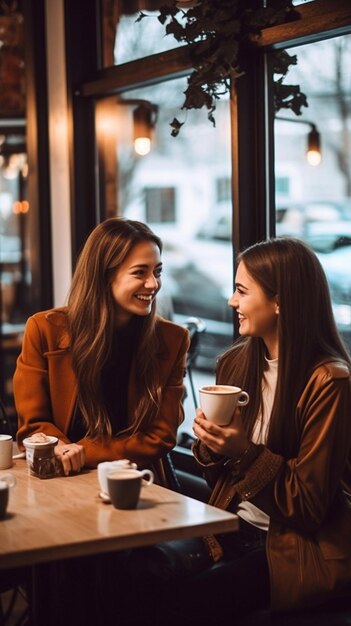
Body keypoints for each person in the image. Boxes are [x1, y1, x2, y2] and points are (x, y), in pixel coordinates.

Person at [137, 236, 351, 626]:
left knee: (180, 604)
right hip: (234, 524)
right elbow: (218, 474)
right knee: (134, 573)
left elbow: (306, 507)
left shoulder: (329, 382)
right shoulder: (236, 363)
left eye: (241, 290)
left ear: (280, 300)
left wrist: (242, 451)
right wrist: (210, 443)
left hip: (291, 546)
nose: (232, 302)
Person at [14, 217, 190, 482]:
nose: (153, 284)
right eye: (140, 272)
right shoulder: (44, 329)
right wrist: (61, 450)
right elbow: (33, 424)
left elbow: (160, 436)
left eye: (157, 271)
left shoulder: (172, 339)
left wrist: (83, 452)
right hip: (58, 477)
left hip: (137, 481)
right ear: (104, 276)